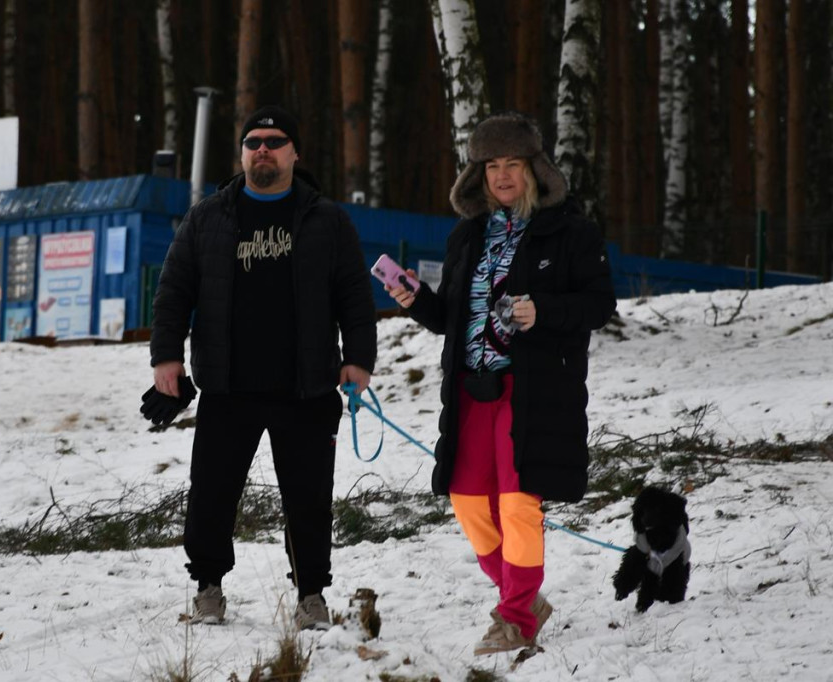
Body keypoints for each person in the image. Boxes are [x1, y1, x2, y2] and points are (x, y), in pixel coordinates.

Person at [386, 111, 616, 654]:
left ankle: (515, 619)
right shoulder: (466, 235)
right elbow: (449, 316)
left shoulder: (571, 232)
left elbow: (600, 303)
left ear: (535, 169)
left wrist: (545, 311)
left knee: (517, 503)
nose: (503, 176)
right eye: (492, 166)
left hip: (533, 388)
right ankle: (523, 594)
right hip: (471, 389)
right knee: (468, 502)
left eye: (513, 164)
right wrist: (416, 300)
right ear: (479, 175)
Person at [150, 105, 377, 631]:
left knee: (309, 499)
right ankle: (209, 587)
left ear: (295, 153)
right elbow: (173, 289)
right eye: (253, 142)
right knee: (211, 491)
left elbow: (355, 299)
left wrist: (358, 360)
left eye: (275, 141)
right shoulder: (208, 217)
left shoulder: (327, 220)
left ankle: (311, 594)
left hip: (308, 389)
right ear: (243, 153)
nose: (263, 150)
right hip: (229, 388)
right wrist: (166, 356)